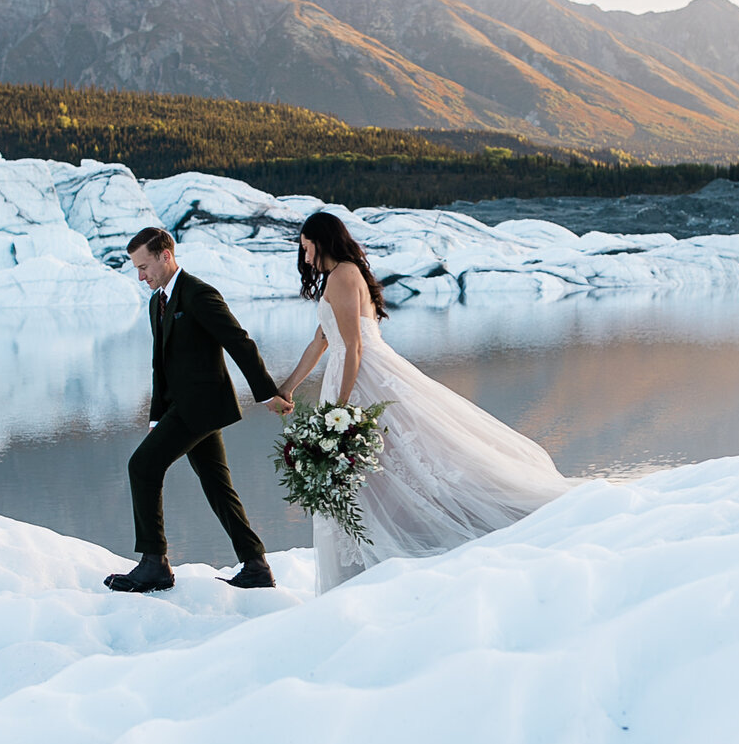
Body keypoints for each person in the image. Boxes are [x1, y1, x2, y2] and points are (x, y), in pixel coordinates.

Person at [275, 210, 575, 592]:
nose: (304, 258)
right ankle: (368, 565)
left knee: (407, 463)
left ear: (321, 241)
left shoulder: (344, 274)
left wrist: (342, 410)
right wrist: (286, 387)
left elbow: (354, 346)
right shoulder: (338, 278)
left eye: (306, 248)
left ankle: (397, 554)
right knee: (374, 474)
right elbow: (321, 342)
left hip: (362, 378)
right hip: (348, 376)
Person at [108, 226, 295, 594]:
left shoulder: (198, 293)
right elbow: (159, 365)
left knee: (142, 466)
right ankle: (256, 565)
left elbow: (237, 341)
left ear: (166, 256)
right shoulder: (156, 301)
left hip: (202, 406)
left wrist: (267, 393)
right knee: (216, 484)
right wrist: (157, 417)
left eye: (144, 266)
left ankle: (154, 563)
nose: (140, 276)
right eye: (136, 269)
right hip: (183, 408)